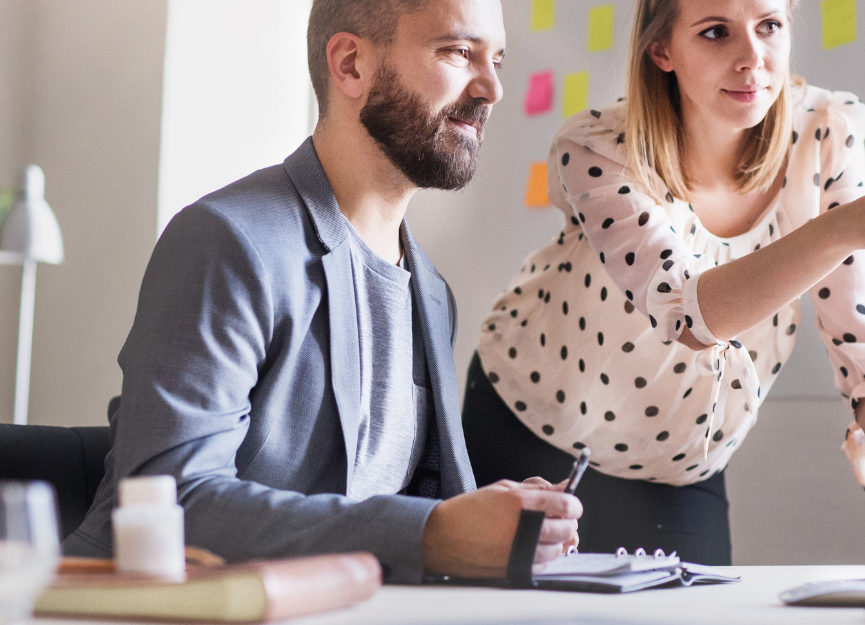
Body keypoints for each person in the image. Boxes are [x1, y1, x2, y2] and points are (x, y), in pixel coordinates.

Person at [462, 0, 865, 571]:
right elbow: (687, 313)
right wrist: (843, 227)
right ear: (661, 51)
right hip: (532, 426)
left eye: (770, 25)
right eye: (716, 32)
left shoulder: (824, 134)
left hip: (681, 463)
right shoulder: (598, 149)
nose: (752, 57)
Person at [63, 0, 583, 583]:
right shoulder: (228, 242)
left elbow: (393, 505)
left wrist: (491, 521)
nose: (492, 89)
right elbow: (169, 505)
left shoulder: (431, 293)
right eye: (459, 52)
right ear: (351, 64)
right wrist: (433, 533)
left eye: (498, 61)